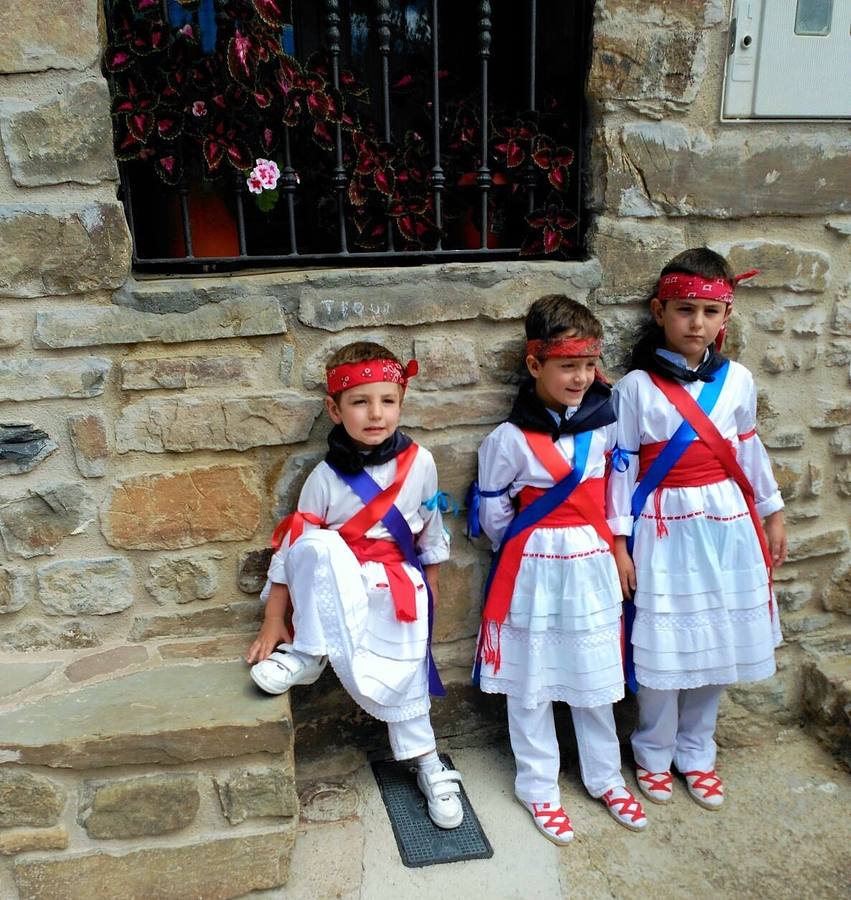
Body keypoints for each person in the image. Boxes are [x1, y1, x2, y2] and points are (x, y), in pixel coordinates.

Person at [246, 341, 463, 830]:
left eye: (387, 400)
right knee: (317, 544)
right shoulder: (324, 477)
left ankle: (429, 763)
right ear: (334, 409)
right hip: (338, 592)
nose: (375, 413)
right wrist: (274, 619)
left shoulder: (421, 463)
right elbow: (293, 551)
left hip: (397, 590)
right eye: (360, 402)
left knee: (406, 677)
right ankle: (306, 654)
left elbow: (431, 537)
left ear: (401, 403)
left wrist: (431, 601)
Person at [607, 247, 786, 811]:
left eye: (710, 312)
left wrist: (773, 511)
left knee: (718, 637)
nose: (697, 323)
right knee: (666, 639)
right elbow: (621, 467)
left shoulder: (738, 380)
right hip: (663, 527)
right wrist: (618, 542)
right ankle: (652, 750)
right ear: (660, 311)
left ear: (725, 318)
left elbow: (748, 450)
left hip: (727, 524)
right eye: (686, 310)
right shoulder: (634, 388)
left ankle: (697, 749)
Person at [471, 295, 647, 845]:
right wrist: (530, 549)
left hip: (593, 563)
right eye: (567, 366)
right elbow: (495, 510)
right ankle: (538, 785)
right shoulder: (507, 440)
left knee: (596, 677)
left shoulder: (607, 428)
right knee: (532, 682)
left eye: (588, 366)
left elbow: (620, 492)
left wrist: (619, 548)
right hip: (532, 572)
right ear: (534, 365)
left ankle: (603, 775)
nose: (580, 378)